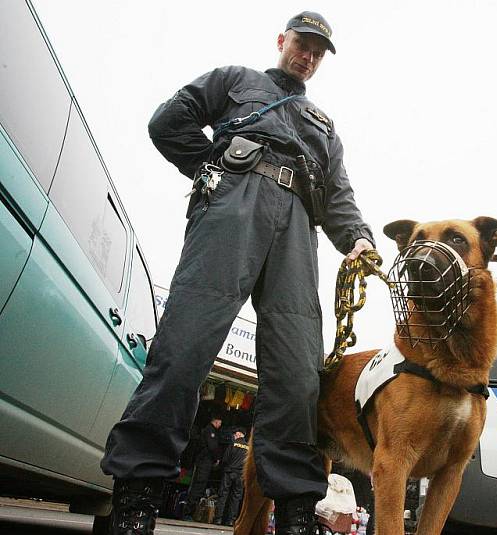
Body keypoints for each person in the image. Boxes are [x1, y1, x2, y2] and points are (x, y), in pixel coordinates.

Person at [99, 11, 375, 535]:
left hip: (297, 225)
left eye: (318, 51)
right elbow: (167, 121)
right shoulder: (234, 80)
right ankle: (135, 495)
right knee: (186, 345)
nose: (309, 56)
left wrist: (358, 236)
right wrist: (213, 169)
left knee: (298, 374)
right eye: (302, 44)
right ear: (282, 40)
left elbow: (338, 195)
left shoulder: (323, 126)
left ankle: (295, 510)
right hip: (233, 205)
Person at [183, 415, 222, 521]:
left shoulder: (207, 430)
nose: (220, 425)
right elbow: (212, 447)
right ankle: (188, 512)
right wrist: (217, 458)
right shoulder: (210, 431)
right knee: (198, 486)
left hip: (203, 461)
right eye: (220, 422)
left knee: (197, 486)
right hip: (204, 462)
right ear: (216, 421)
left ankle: (190, 512)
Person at [213, 429, 249, 526]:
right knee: (236, 498)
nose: (234, 436)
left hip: (229, 472)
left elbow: (225, 459)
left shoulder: (233, 444)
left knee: (223, 495)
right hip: (240, 475)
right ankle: (231, 520)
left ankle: (218, 519)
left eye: (235, 434)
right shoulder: (248, 447)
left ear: (238, 434)